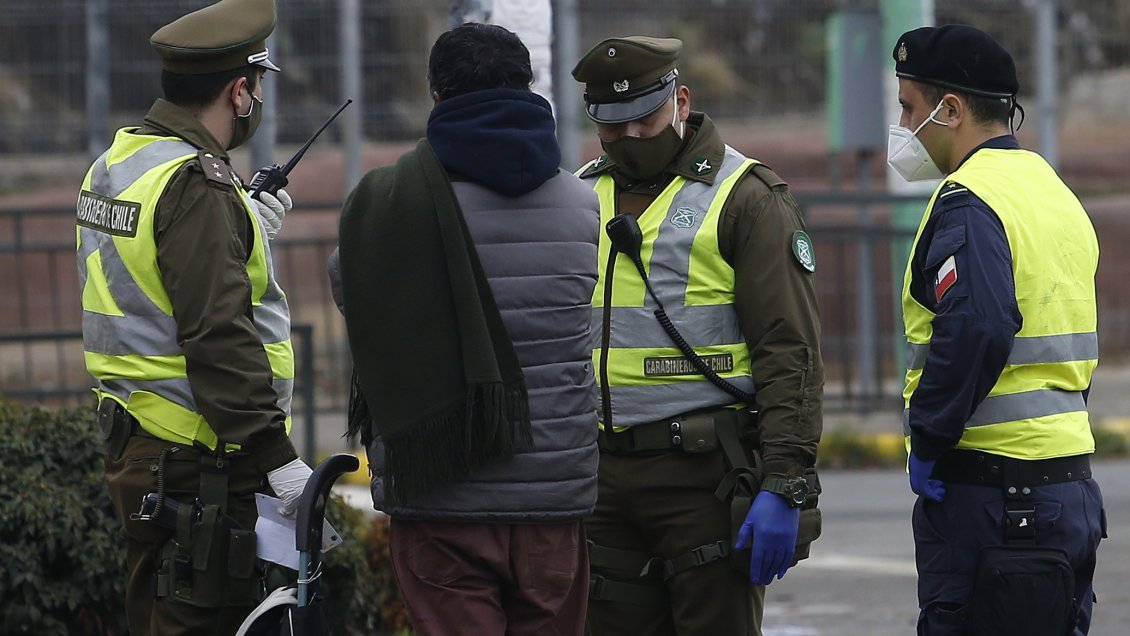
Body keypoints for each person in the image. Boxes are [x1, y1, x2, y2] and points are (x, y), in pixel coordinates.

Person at [332, 23, 600, 636]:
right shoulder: (582, 205)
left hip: (440, 498)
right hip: (552, 499)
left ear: (436, 97)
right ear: (529, 90)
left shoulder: (389, 203)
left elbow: (355, 295)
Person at [571, 36, 824, 635]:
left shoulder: (747, 198)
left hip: (705, 479)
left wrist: (786, 482)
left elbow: (791, 352)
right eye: (612, 126)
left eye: (644, 120)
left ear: (680, 101)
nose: (630, 137)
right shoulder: (580, 193)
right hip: (602, 480)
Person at [76, 0, 310, 633]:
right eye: (258, 85)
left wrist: (239, 230)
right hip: (200, 458)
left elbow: (147, 284)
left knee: (154, 612)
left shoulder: (119, 162)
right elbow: (217, 332)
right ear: (239, 91)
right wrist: (276, 454)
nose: (258, 100)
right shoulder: (196, 183)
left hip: (137, 447)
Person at [890, 24, 1106, 635]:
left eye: (909, 108)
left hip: (994, 495)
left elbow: (979, 325)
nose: (903, 127)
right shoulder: (1052, 192)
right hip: (1066, 489)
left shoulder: (969, 199)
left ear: (950, 110)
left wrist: (929, 438)